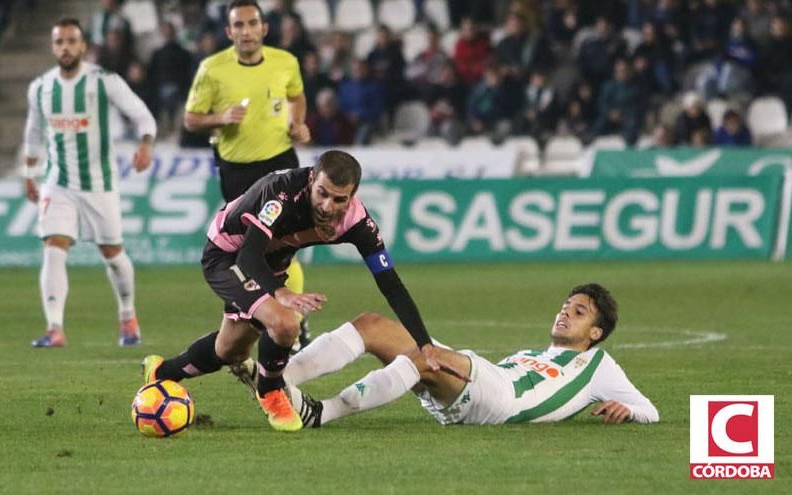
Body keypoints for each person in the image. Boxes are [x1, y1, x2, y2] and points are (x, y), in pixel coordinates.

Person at [142, 150, 469, 432]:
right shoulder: (280, 192)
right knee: (285, 323)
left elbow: (390, 283)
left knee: (231, 351)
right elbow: (249, 255)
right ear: (311, 179)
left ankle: (161, 371)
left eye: (339, 199)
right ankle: (271, 392)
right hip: (229, 255)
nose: (328, 206)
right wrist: (278, 292)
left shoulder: (356, 222)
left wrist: (425, 345)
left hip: (270, 263)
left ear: (352, 196)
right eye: (322, 193)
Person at [282, 283, 660, 428]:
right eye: (565, 306)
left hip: (504, 400)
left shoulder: (598, 364)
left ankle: (320, 413)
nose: (565, 313)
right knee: (371, 324)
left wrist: (630, 411)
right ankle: (279, 378)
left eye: (579, 312)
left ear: (596, 333)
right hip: (485, 386)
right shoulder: (532, 354)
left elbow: (651, 410)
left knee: (421, 356)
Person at [183, 0, 312, 347]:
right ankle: (254, 315)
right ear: (229, 32)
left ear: (264, 28)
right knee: (251, 249)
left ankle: (293, 324)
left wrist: (298, 122)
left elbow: (296, 96)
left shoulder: (286, 62)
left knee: (286, 246)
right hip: (238, 171)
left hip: (281, 163)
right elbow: (191, 119)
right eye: (238, 25)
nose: (246, 31)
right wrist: (219, 119)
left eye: (252, 23)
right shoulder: (212, 68)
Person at [22, 18, 156, 348]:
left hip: (99, 183)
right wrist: (29, 173)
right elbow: (34, 133)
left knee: (111, 252)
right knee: (54, 246)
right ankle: (55, 328)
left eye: (71, 41)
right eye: (59, 42)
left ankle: (128, 315)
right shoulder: (40, 87)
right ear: (53, 47)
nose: (65, 47)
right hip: (58, 182)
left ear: (83, 46)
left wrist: (146, 143)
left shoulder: (103, 82)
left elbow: (141, 113)